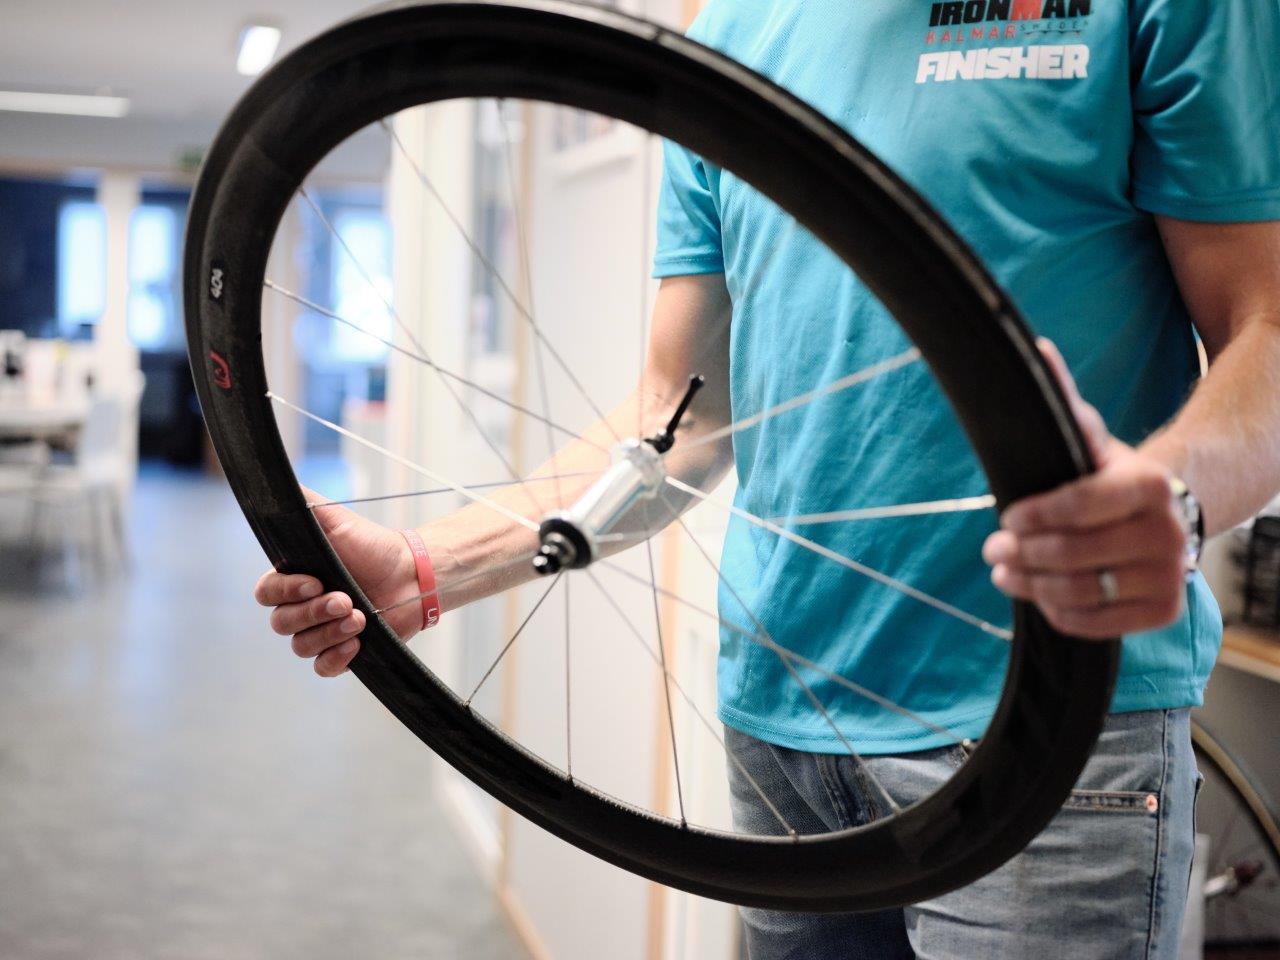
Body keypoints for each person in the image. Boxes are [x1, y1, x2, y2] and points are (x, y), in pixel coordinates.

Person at [255, 0, 1280, 955]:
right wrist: (427, 569)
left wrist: (1172, 501)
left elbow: (1266, 328)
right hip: (779, 735)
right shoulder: (731, 28)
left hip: (1052, 729)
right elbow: (682, 416)